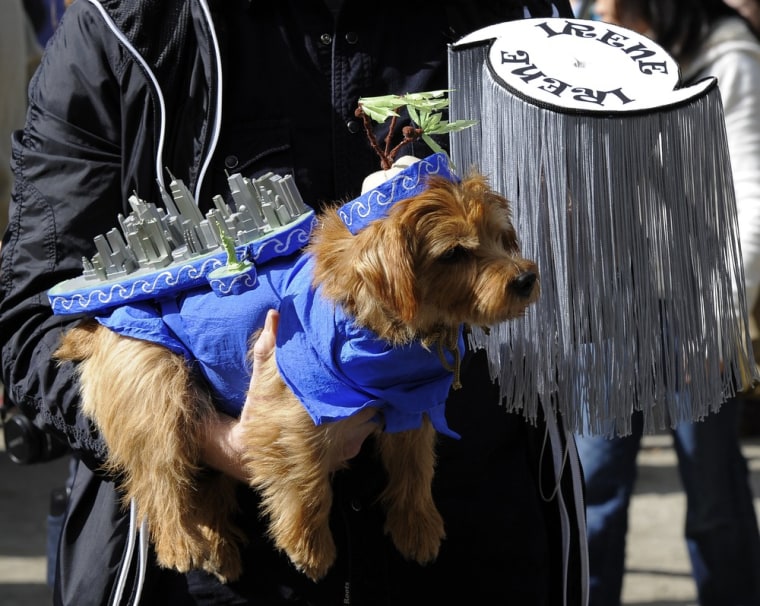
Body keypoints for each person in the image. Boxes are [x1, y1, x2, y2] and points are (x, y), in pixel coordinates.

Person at [0, 1, 587, 605]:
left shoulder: (512, 12)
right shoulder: (127, 28)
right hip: (222, 579)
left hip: (478, 541)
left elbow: (585, 265)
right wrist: (215, 440)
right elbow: (35, 320)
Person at [577, 1, 760, 605]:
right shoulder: (588, 44)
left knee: (714, 497)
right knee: (594, 493)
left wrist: (716, 319)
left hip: (699, 308)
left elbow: (751, 199)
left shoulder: (726, 53)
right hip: (607, 312)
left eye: (620, 5)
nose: (603, 13)